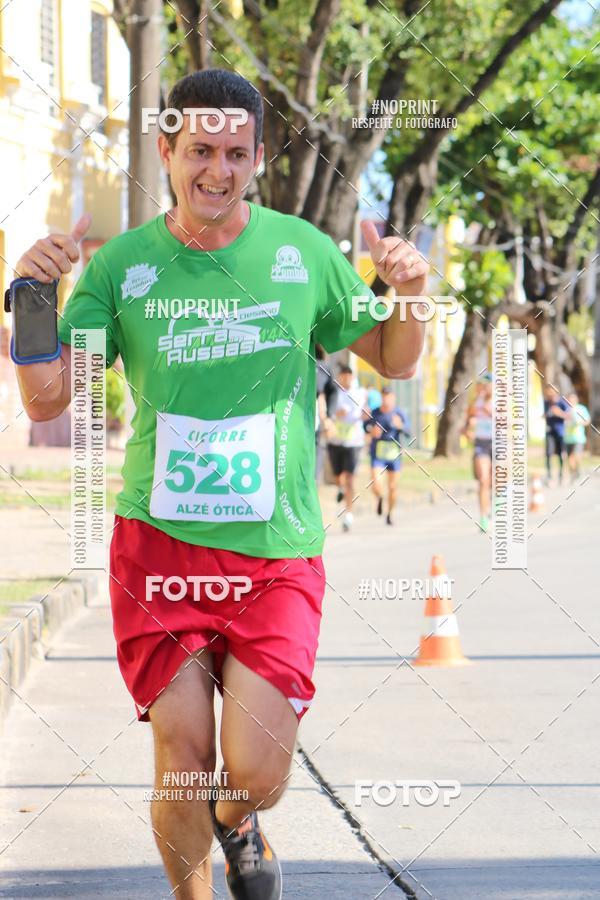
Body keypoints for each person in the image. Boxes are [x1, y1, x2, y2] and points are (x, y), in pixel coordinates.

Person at [12, 68, 428, 900]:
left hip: (274, 553)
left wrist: (410, 297)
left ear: (258, 157)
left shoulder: (301, 252)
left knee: (256, 770)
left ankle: (240, 819)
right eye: (199, 150)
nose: (218, 169)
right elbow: (51, 393)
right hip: (157, 545)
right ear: (165, 152)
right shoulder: (123, 269)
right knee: (180, 754)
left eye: (236, 153)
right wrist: (29, 297)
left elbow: (388, 360)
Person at [326, 365, 369, 531]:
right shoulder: (334, 392)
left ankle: (349, 514)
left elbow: (366, 412)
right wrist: (335, 414)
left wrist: (363, 415)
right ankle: (340, 488)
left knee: (350, 478)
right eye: (342, 377)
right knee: (338, 476)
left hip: (353, 442)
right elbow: (329, 410)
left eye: (347, 377)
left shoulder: (359, 393)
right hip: (336, 440)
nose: (345, 380)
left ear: (351, 377)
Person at [367, 386, 409, 525]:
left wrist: (400, 426)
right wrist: (371, 430)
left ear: (393, 398)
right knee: (376, 482)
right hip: (378, 453)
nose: (386, 399)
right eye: (384, 396)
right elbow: (365, 426)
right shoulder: (375, 413)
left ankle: (390, 513)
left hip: (393, 454)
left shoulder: (398, 413)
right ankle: (379, 497)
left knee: (392, 487)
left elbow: (409, 431)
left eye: (389, 396)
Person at [463, 373, 493, 532]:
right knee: (483, 479)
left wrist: (490, 412)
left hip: (498, 443)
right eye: (483, 384)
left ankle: (495, 505)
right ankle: (483, 518)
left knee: (496, 482)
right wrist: (467, 429)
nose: (484, 387)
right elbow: (468, 419)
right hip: (481, 442)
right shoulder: (476, 401)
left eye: (487, 384)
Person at [315, 344, 336, 482]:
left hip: (314, 416)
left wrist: (329, 416)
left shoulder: (322, 366)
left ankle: (313, 481)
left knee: (315, 448)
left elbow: (332, 390)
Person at [543, 386, 569, 485]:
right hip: (549, 431)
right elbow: (544, 414)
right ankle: (549, 476)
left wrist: (559, 413)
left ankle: (561, 475)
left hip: (560, 432)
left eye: (552, 393)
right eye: (548, 393)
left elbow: (568, 416)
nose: (550, 395)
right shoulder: (546, 402)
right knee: (549, 454)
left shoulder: (562, 402)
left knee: (560, 454)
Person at [564, 390, 590, 482]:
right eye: (569, 399)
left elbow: (587, 421)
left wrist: (580, 422)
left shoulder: (581, 409)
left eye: (573, 399)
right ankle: (574, 473)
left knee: (577, 456)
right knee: (570, 457)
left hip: (579, 437)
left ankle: (578, 470)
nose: (571, 400)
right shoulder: (566, 409)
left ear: (576, 399)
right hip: (568, 438)